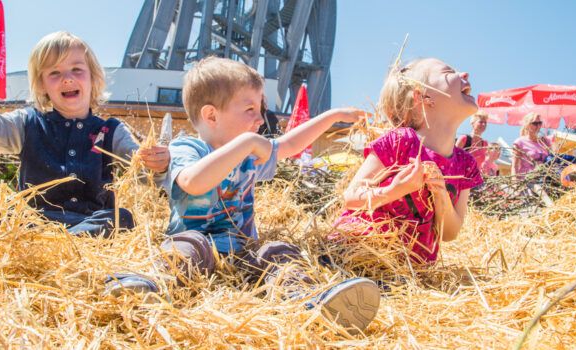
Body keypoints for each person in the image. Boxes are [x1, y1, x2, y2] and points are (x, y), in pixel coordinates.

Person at [107, 57, 380, 332]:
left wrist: (333, 116)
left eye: (260, 108)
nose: (261, 119)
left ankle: (307, 302)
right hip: (199, 246)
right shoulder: (186, 148)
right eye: (250, 109)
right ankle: (152, 288)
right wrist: (247, 142)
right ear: (211, 116)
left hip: (244, 250)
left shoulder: (252, 154)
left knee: (279, 253)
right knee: (184, 248)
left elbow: (291, 143)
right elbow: (193, 181)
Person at [0, 31, 170, 237]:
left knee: (120, 218)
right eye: (55, 72)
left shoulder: (110, 131)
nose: (67, 78)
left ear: (93, 78)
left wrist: (157, 165)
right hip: (34, 219)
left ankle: (63, 242)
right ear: (42, 85)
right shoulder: (28, 123)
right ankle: (47, 240)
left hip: (89, 221)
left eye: (77, 69)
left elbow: (141, 169)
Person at [332, 58, 483, 265]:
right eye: (448, 72)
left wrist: (441, 194)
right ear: (423, 97)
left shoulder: (465, 164)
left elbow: (450, 233)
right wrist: (395, 190)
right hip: (357, 250)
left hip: (409, 271)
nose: (464, 74)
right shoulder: (401, 141)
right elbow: (351, 197)